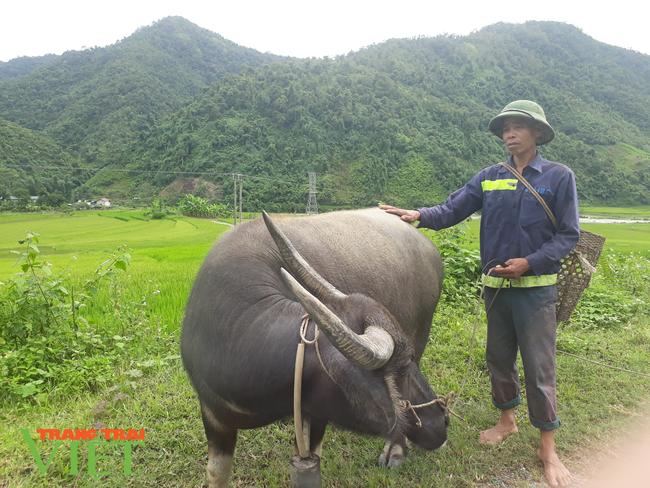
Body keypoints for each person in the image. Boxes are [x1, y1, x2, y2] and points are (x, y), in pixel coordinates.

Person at [380, 100, 579, 488]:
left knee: (540, 367)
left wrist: (530, 262)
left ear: (537, 132)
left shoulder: (558, 177)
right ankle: (507, 421)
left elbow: (568, 234)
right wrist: (418, 216)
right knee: (498, 358)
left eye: (519, 126)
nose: (509, 133)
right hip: (497, 289)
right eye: (505, 127)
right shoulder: (490, 176)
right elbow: (453, 209)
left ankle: (548, 448)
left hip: (536, 290)